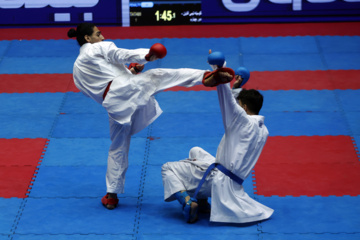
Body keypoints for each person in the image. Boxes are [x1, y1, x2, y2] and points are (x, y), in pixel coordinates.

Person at [67, 23, 234, 210]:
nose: (103, 36)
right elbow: (120, 53)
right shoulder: (97, 47)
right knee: (159, 75)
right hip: (124, 91)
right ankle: (206, 77)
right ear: (88, 39)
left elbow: (99, 85)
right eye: (98, 34)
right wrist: (147, 55)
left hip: (114, 106)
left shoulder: (77, 70)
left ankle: (111, 195)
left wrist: (130, 72)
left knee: (117, 147)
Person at [161, 65, 274, 224]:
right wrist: (236, 88)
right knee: (196, 151)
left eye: (240, 104)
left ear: (244, 107)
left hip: (218, 181)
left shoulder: (241, 122)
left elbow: (227, 101)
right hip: (233, 180)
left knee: (167, 167)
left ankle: (188, 202)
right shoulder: (263, 130)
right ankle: (202, 202)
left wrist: (220, 71)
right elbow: (235, 107)